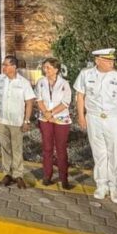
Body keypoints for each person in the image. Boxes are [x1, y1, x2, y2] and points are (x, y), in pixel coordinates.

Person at [74, 48, 117, 204]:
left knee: (114, 154)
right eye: (108, 60)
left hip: (113, 119)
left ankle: (115, 188)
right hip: (93, 118)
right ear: (97, 61)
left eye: (112, 60)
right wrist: (81, 116)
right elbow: (80, 96)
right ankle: (101, 186)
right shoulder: (85, 74)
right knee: (99, 154)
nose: (112, 63)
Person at [0, 56, 36, 189]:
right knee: (5, 148)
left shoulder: (23, 83)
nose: (3, 67)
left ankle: (18, 175)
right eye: (3, 64)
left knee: (17, 149)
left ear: (14, 67)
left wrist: (26, 120)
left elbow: (29, 102)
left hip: (17, 122)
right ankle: (7, 174)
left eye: (6, 65)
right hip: (2, 120)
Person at [35, 57, 75, 189]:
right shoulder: (40, 82)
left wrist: (51, 113)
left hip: (60, 119)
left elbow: (65, 103)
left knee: (61, 149)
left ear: (56, 69)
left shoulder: (65, 84)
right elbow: (39, 99)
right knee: (47, 148)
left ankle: (64, 179)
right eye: (44, 67)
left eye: (48, 67)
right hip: (45, 118)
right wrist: (46, 113)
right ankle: (47, 176)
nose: (45, 70)